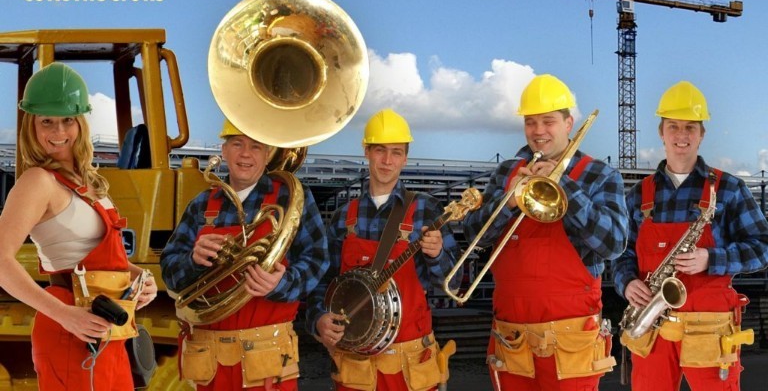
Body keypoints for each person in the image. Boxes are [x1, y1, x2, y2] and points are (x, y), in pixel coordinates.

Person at [462, 74, 629, 391]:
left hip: (571, 341)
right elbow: (473, 238)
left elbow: (614, 243)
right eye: (530, 122)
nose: (538, 131)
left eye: (548, 121)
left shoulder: (600, 175)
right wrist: (507, 203)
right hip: (511, 339)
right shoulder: (506, 172)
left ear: (569, 122)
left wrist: (563, 186)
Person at [0, 62, 158, 390]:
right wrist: (63, 314)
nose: (59, 133)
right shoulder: (37, 181)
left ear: (80, 122)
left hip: (108, 331)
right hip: (72, 333)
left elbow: (96, 260)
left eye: (67, 120)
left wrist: (140, 278)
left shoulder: (88, 182)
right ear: (31, 125)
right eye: (47, 122)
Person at [612, 81, 768, 391]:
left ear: (701, 134)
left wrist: (711, 258)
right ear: (661, 132)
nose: (681, 135)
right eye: (674, 127)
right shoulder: (637, 196)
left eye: (690, 127)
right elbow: (621, 255)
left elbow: (762, 248)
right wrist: (627, 282)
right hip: (651, 324)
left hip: (709, 326)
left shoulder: (729, 189)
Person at [161, 118, 327, 391]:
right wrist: (191, 261)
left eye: (256, 146)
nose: (246, 154)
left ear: (268, 154)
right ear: (223, 151)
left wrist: (281, 284)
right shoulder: (202, 204)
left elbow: (319, 258)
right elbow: (169, 268)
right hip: (210, 360)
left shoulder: (290, 197)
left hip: (269, 357)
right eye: (237, 144)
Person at [306, 108, 460, 391]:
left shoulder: (426, 209)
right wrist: (318, 319)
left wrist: (437, 254)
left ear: (405, 157)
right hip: (354, 368)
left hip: (411, 365)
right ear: (366, 151)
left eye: (396, 152)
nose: (387, 161)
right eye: (380, 151)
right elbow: (322, 281)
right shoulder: (344, 216)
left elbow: (455, 282)